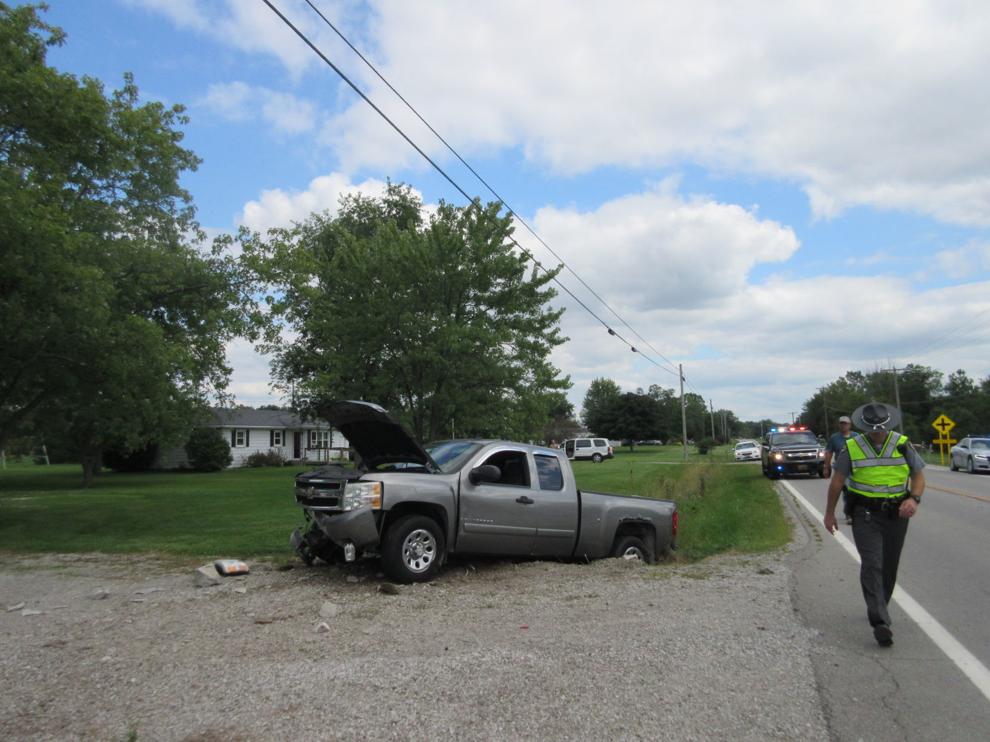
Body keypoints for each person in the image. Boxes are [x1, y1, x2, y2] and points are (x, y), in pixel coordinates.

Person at [823, 402, 925, 647]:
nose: (879, 432)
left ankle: (881, 604)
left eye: (883, 427)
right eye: (874, 428)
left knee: (889, 565)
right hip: (865, 514)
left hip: (896, 514)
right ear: (865, 426)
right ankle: (880, 621)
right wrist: (829, 514)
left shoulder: (902, 444)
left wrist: (914, 498)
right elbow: (837, 482)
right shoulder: (852, 447)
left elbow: (918, 475)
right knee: (872, 563)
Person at [823, 415, 855, 524]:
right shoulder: (834, 438)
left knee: (855, 490)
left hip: (855, 468)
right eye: (841, 423)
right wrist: (826, 467)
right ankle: (849, 514)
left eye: (845, 423)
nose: (843, 425)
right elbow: (829, 452)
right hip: (841, 469)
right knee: (846, 491)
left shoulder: (857, 436)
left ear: (850, 425)